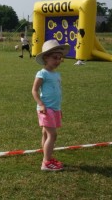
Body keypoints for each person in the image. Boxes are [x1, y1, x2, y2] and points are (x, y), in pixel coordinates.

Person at [31, 39, 70, 171]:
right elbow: (34, 90)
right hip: (46, 109)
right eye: (55, 58)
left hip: (54, 109)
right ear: (46, 58)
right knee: (52, 135)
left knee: (46, 134)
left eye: (60, 58)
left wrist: (59, 109)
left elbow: (57, 93)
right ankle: (46, 163)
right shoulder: (42, 73)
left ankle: (46, 157)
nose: (58, 61)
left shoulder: (56, 74)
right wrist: (41, 105)